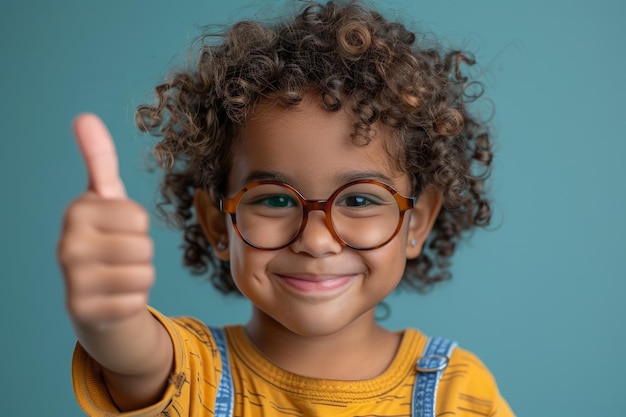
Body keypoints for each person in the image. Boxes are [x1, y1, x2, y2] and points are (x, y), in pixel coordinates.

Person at [58, 1, 514, 416]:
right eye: (275, 200)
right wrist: (109, 316)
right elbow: (129, 352)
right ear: (219, 223)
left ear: (417, 222)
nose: (316, 241)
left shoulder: (457, 393)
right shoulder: (188, 376)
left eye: (358, 200)